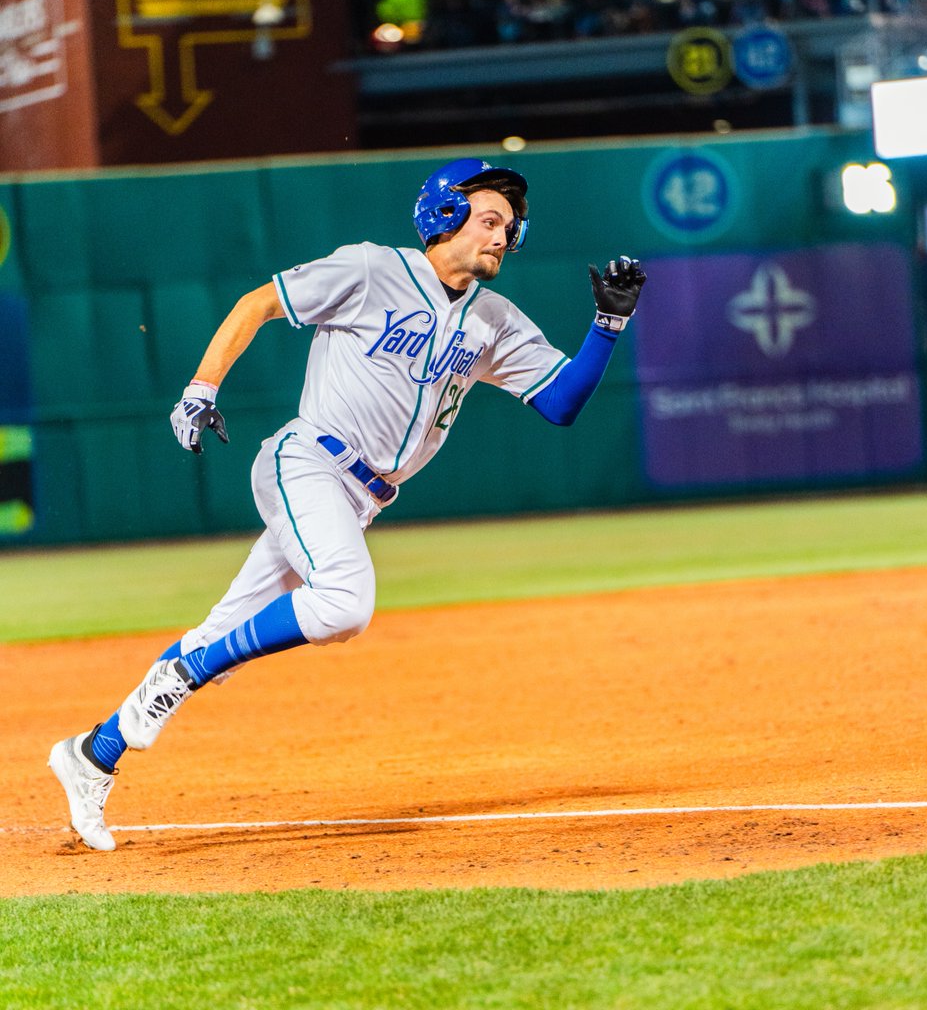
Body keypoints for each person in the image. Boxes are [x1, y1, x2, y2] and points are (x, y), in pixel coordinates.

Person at [48, 157, 647, 851]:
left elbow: (561, 403)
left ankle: (93, 753)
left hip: (361, 497)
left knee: (229, 630)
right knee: (344, 602)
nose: (501, 237)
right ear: (444, 215)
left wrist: (607, 324)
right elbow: (258, 303)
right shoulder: (371, 270)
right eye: (488, 219)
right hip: (307, 461)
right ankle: (185, 672)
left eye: (510, 228)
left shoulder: (496, 321)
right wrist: (200, 388)